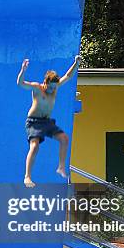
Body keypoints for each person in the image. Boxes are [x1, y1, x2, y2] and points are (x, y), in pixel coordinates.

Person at [17, 56, 80, 187]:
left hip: (46, 122)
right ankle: (27, 177)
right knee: (35, 146)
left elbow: (68, 76)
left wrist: (76, 63)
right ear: (45, 83)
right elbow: (20, 83)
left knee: (64, 139)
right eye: (50, 87)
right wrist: (23, 70)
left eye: (54, 87)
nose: (52, 90)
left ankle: (61, 167)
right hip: (34, 122)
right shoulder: (37, 88)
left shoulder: (55, 87)